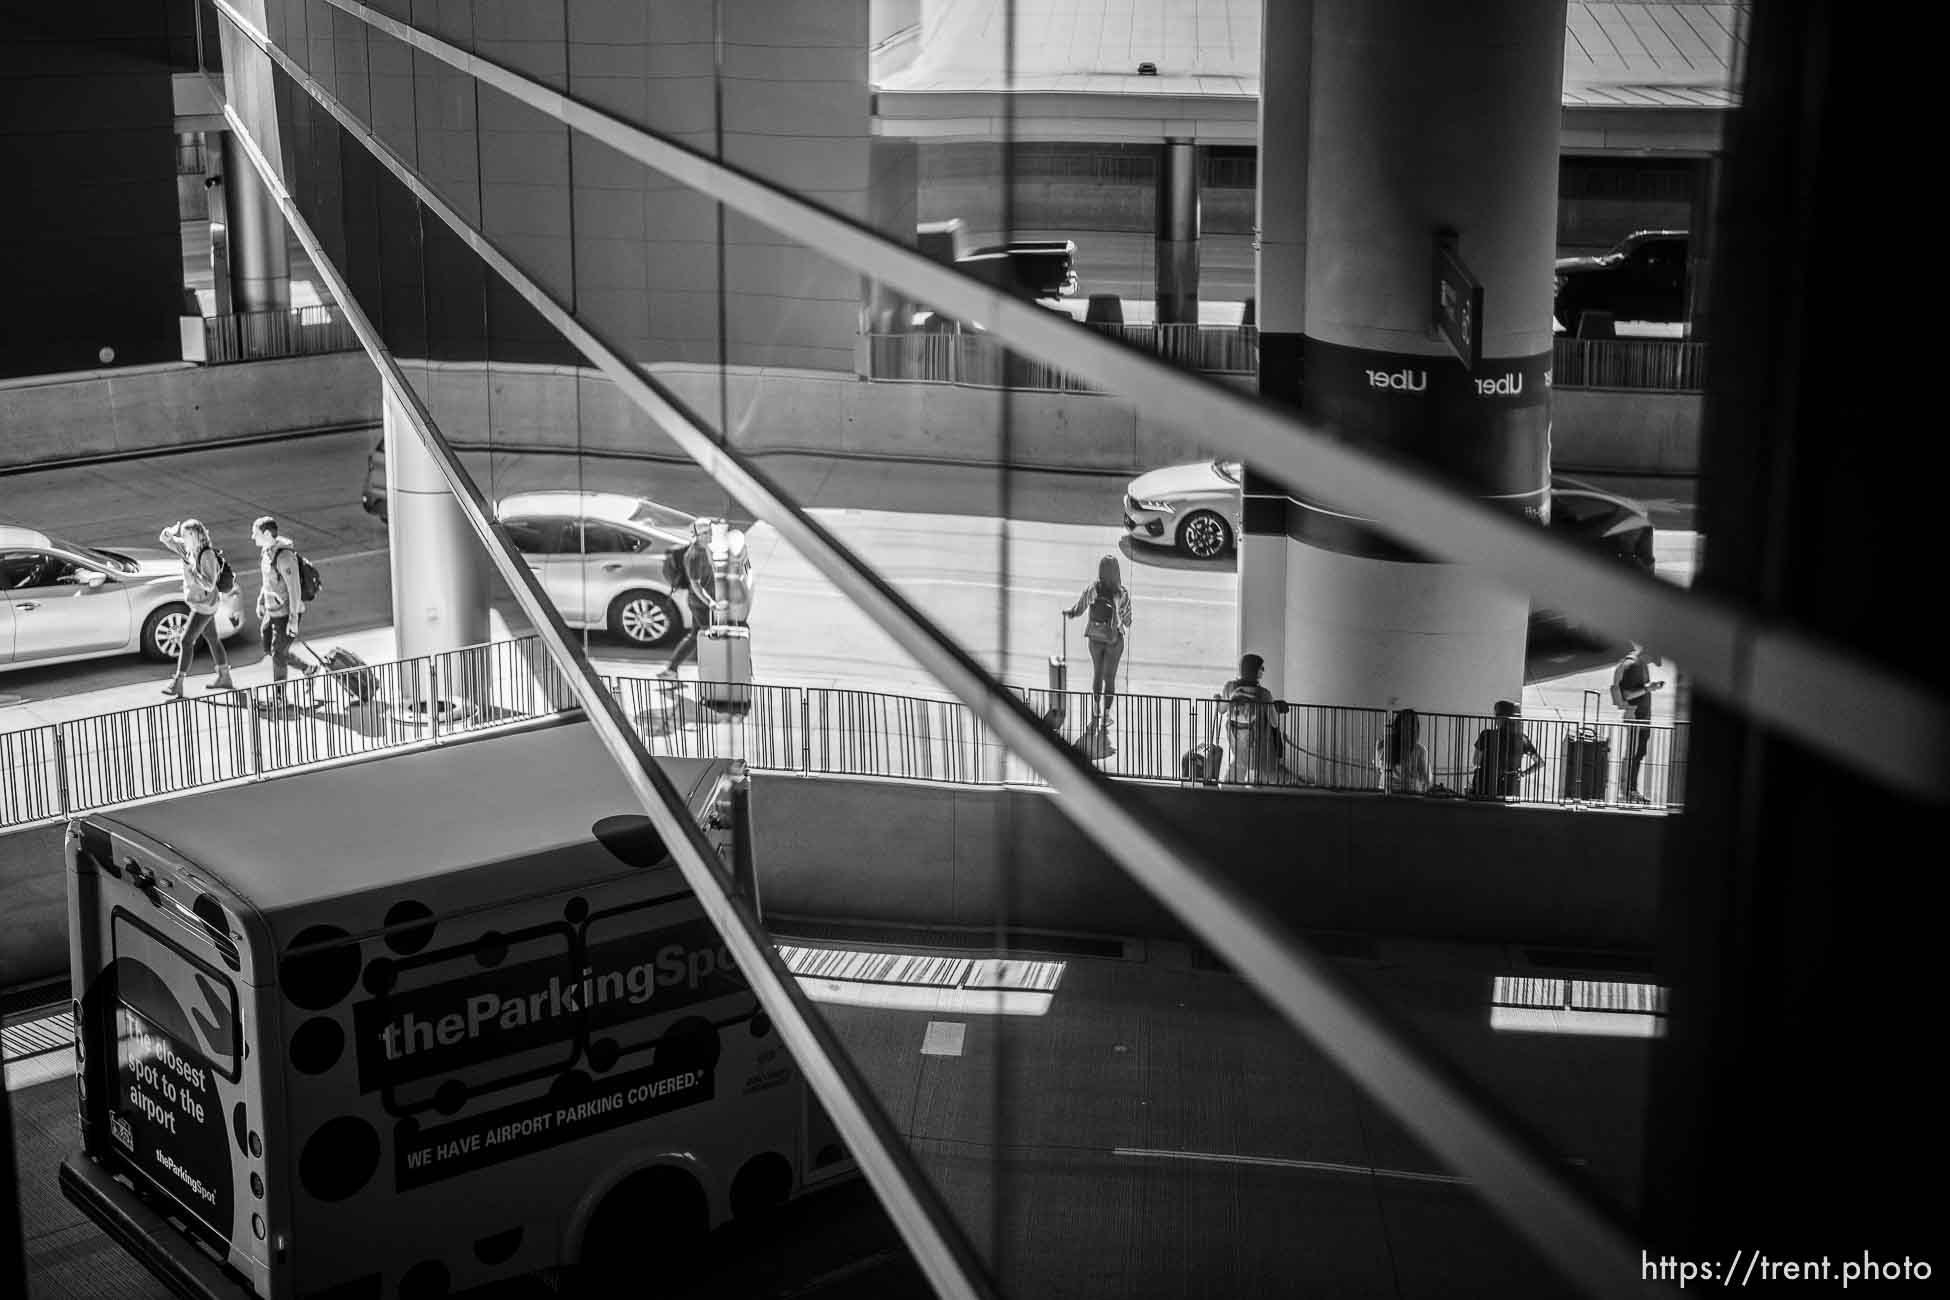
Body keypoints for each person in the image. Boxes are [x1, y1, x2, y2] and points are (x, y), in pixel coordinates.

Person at [156, 519, 233, 696]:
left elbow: (209, 583)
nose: (182, 538)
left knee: (185, 641)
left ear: (194, 535)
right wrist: (168, 533)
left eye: (185, 535)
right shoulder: (190, 550)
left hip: (205, 605)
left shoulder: (206, 555)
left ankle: (178, 682)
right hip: (200, 602)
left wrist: (193, 572)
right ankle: (225, 676)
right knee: (212, 638)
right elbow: (168, 541)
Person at [1062, 554, 1133, 726]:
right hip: (1113, 639)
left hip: (1095, 637)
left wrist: (1069, 613)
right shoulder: (1121, 593)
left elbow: (1079, 608)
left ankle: (1095, 709)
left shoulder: (1093, 588)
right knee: (1110, 677)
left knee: (1097, 673)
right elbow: (1128, 620)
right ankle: (1106, 717)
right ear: (1117, 572)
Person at [252, 515, 306, 708]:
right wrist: (260, 601)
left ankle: (280, 698)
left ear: (266, 533)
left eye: (255, 533)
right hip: (271, 611)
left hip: (286, 613)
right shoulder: (267, 552)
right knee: (269, 647)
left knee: (278, 652)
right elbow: (267, 580)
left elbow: (294, 588)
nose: (252, 537)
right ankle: (308, 669)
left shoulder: (284, 556)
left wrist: (293, 619)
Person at [657, 519, 719, 678]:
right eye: (707, 533)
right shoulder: (694, 556)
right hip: (700, 604)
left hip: (703, 601)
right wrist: (710, 602)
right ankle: (715, 674)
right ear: (698, 535)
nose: (710, 535)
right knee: (711, 637)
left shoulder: (705, 548)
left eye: (710, 531)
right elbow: (696, 585)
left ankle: (671, 670)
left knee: (695, 636)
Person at [1217, 653, 1288, 784]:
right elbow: (1273, 721)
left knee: (1239, 761)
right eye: (1261, 668)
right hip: (1256, 737)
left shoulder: (1229, 687)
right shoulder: (1264, 694)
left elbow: (1221, 710)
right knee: (1253, 767)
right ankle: (1250, 789)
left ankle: (1229, 787)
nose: (1263, 670)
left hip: (1234, 734)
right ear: (1255, 670)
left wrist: (1218, 699)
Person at [1612, 643, 1666, 803]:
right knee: (1633, 755)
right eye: (1652, 659)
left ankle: (1631, 790)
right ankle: (1628, 792)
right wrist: (1648, 689)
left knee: (1638, 753)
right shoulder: (1633, 666)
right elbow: (1628, 695)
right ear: (1647, 654)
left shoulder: (1640, 665)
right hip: (1635, 717)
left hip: (1642, 717)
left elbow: (1639, 689)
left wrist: (1650, 687)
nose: (1651, 663)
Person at [1469, 700, 1542, 799]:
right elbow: (1540, 763)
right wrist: (1523, 773)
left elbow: (1476, 761)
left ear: (1500, 719)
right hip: (1508, 791)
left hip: (1484, 788)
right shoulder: (1522, 739)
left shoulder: (1486, 735)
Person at [1374, 708, 1431, 794]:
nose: (1407, 729)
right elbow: (1427, 779)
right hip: (1408, 795)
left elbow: (1378, 769)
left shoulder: (1384, 744)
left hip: (1387, 793)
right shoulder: (1420, 750)